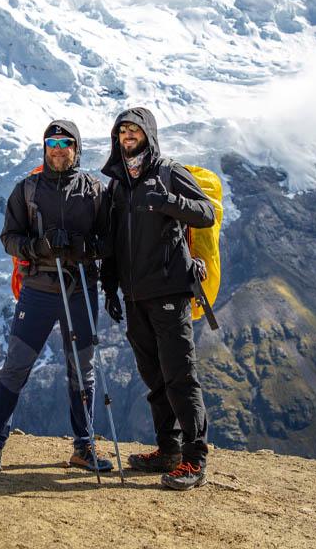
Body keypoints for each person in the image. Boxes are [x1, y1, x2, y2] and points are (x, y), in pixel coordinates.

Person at [0, 119, 113, 474]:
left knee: (82, 371)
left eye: (64, 143)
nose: (56, 149)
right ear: (44, 149)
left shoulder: (95, 192)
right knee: (16, 367)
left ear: (75, 148)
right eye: (50, 143)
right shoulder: (27, 190)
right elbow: (9, 237)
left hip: (80, 288)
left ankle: (84, 447)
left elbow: (111, 242)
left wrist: (88, 247)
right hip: (38, 289)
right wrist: (37, 246)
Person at [99, 106, 215, 491]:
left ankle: (195, 460)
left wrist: (167, 201)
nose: (128, 136)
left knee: (180, 375)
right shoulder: (117, 184)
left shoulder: (168, 171)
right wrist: (110, 285)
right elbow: (114, 241)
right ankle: (168, 450)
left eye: (134, 130)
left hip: (169, 292)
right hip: (134, 297)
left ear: (147, 133)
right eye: (122, 131)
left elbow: (205, 213)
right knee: (154, 377)